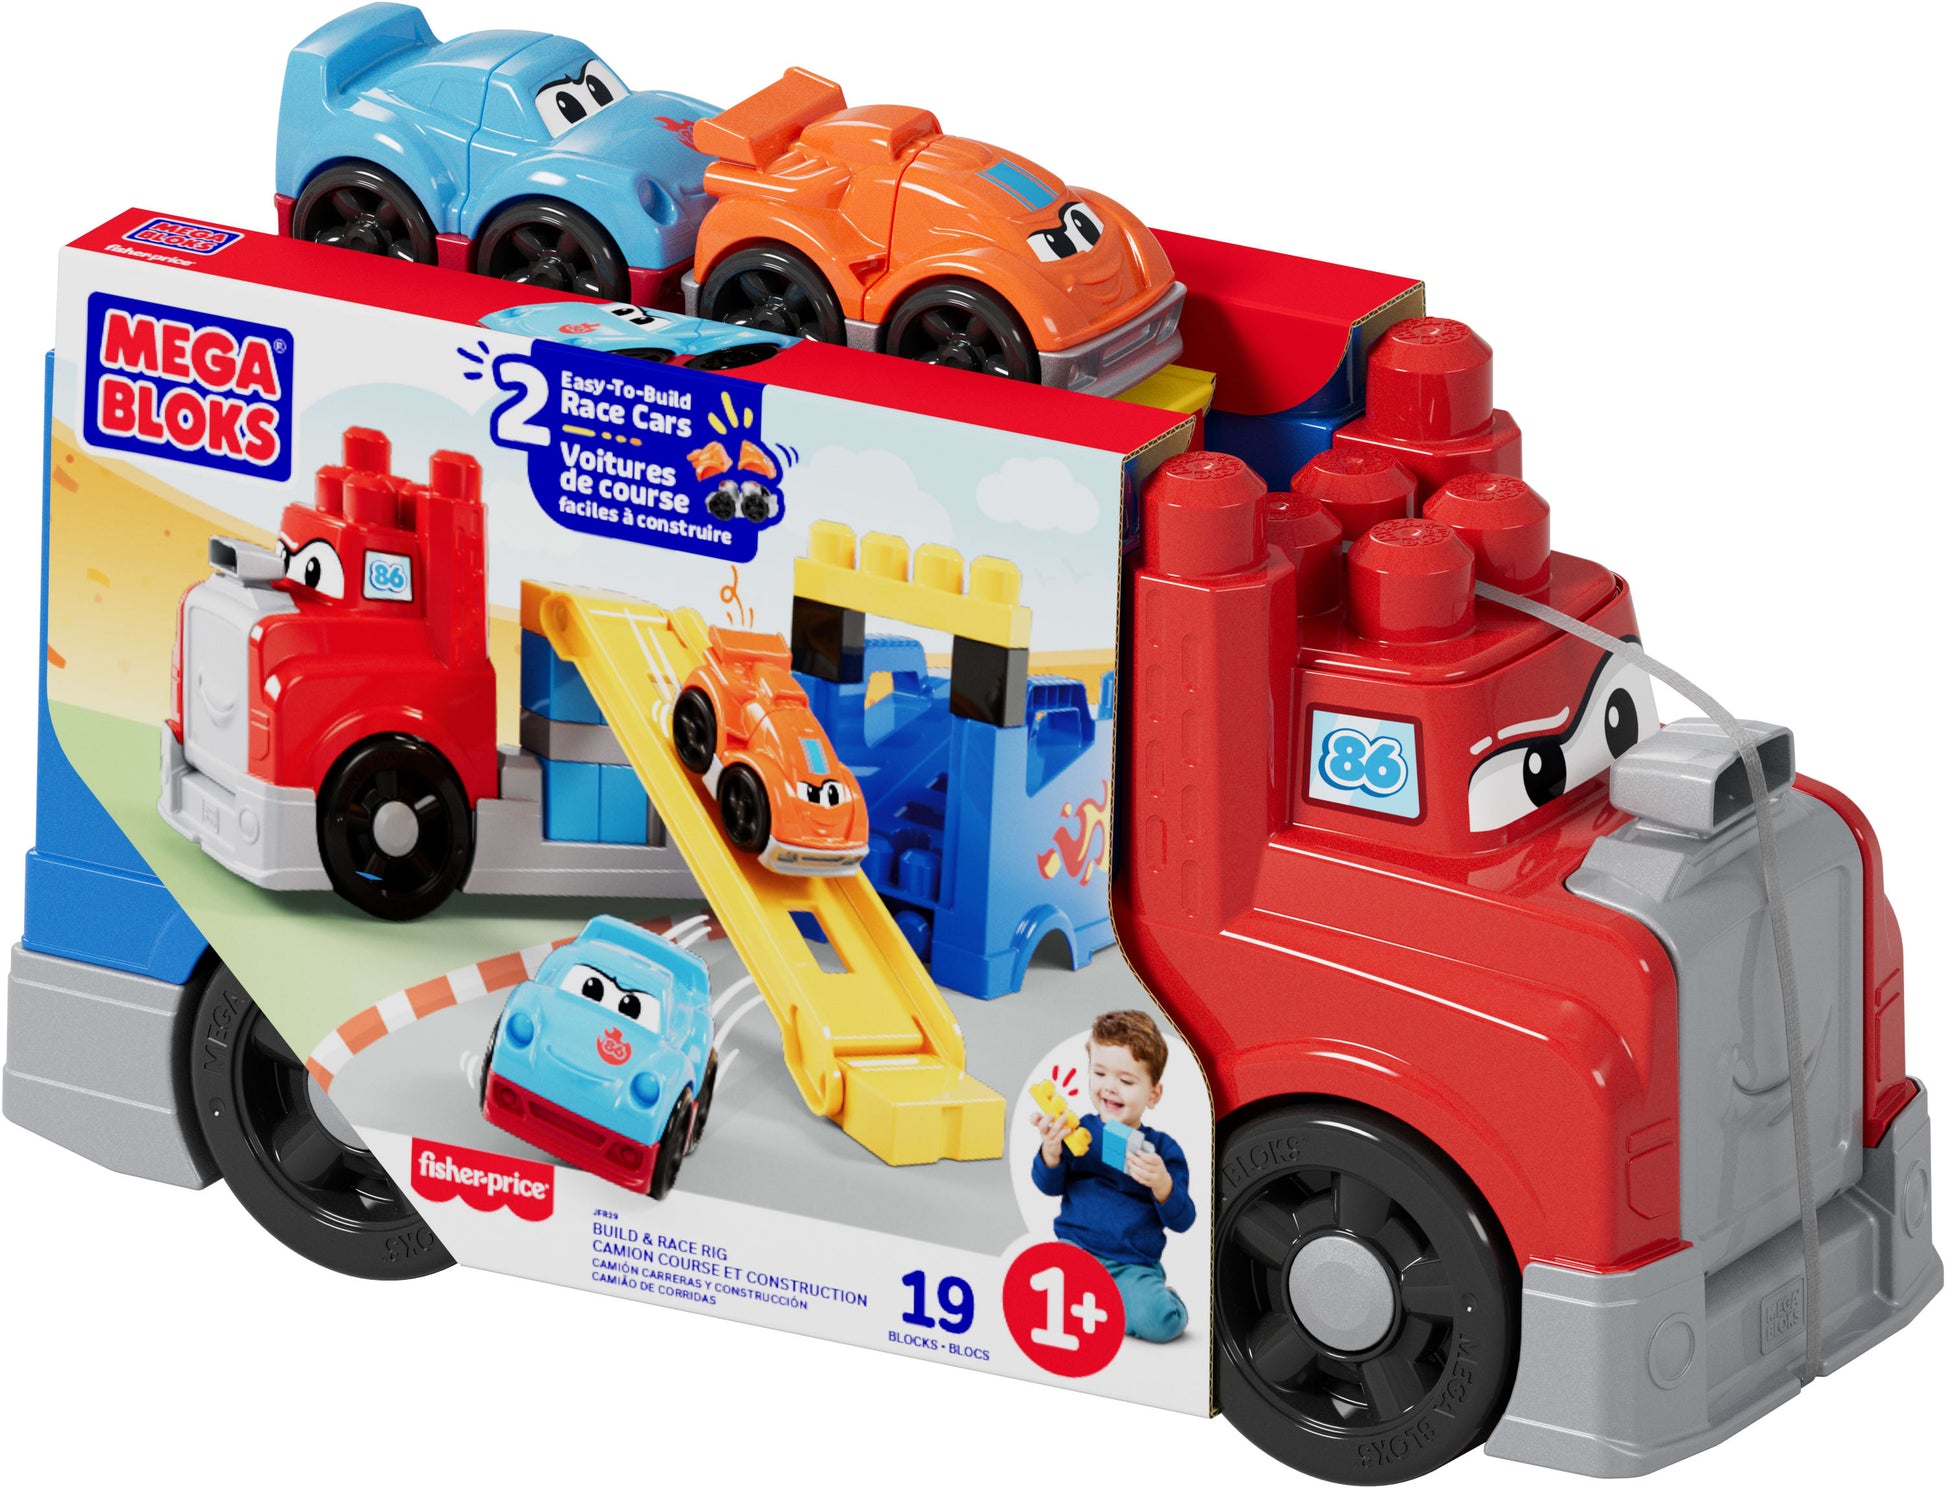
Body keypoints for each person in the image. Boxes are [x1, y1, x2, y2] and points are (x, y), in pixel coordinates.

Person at [1030, 1010, 1194, 1342]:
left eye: (1126, 1081)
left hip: (1131, 1267)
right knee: (1032, 1294)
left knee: (1161, 1321)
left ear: (1153, 1094)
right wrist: (1051, 1151)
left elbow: (1183, 1220)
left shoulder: (1163, 1150)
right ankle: (1103, 1306)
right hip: (1075, 1252)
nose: (1109, 1087)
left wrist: (1162, 1184)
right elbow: (1048, 1186)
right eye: (1100, 1073)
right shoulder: (1079, 1130)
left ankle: (1160, 1299)